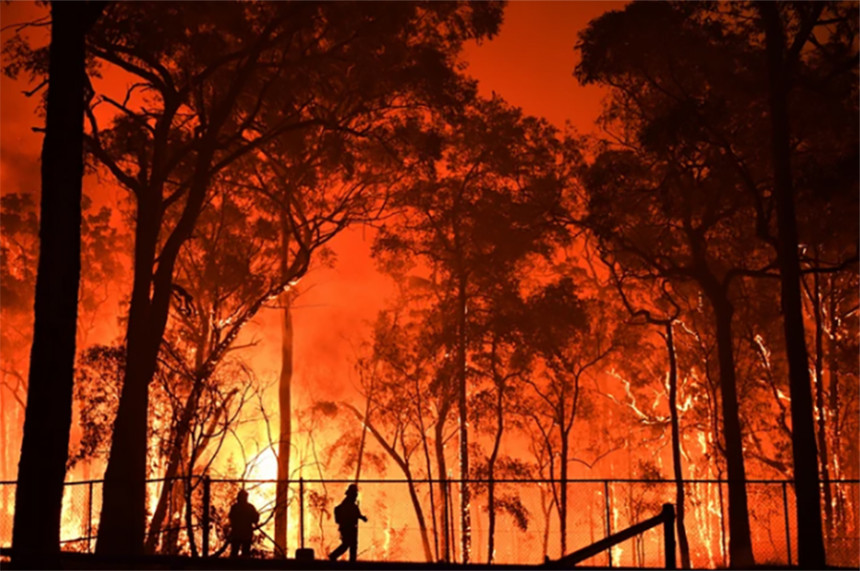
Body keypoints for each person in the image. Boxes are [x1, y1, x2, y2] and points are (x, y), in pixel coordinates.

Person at [328, 484, 368, 562]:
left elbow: (356, 514)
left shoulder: (350, 504)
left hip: (350, 527)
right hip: (348, 527)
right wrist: (362, 517)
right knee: (347, 545)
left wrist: (362, 517)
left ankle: (349, 561)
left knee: (351, 545)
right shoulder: (348, 505)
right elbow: (353, 513)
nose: (355, 496)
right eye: (354, 494)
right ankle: (333, 556)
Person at [228, 489, 259, 557]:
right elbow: (255, 520)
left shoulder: (235, 507)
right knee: (245, 553)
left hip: (236, 533)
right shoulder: (250, 508)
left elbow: (231, 518)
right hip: (246, 533)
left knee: (234, 552)